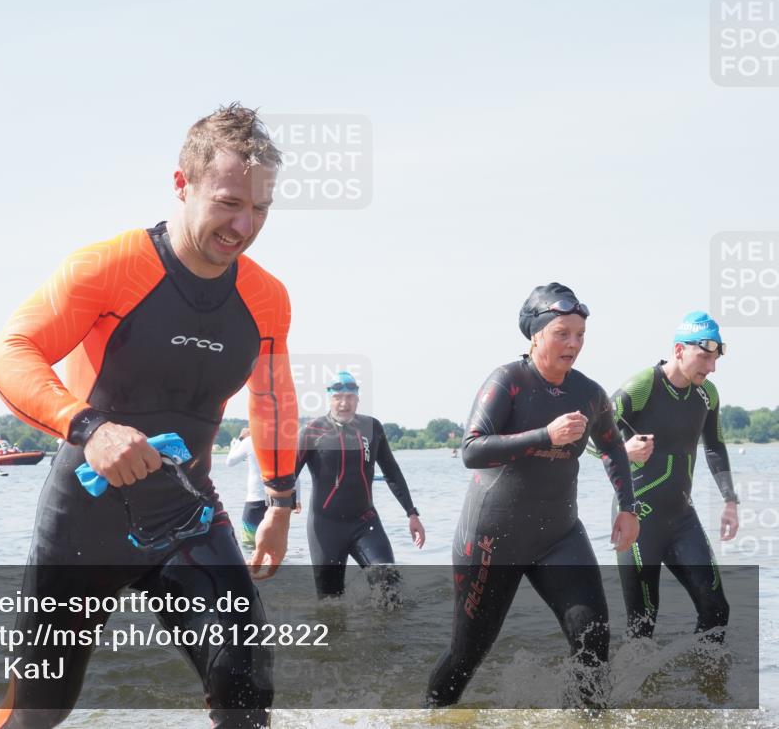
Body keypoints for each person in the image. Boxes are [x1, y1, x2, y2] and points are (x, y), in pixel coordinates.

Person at [0, 104, 298, 729]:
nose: (244, 225)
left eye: (260, 209)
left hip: (185, 513)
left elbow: (272, 400)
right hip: (84, 521)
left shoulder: (265, 297)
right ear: (182, 185)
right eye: (228, 202)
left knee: (246, 676)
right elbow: (9, 355)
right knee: (37, 712)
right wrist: (88, 426)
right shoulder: (110, 267)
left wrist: (282, 504)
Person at [426, 283, 640, 708]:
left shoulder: (589, 392)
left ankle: (581, 719)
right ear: (535, 334)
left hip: (559, 536)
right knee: (468, 654)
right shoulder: (508, 381)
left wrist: (629, 508)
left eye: (580, 335)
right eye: (563, 333)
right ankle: (431, 714)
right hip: (491, 540)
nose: (573, 344)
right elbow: (471, 449)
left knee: (593, 641)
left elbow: (613, 445)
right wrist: (546, 435)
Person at [611, 311, 736, 640]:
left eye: (715, 359)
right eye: (704, 357)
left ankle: (705, 686)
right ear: (680, 350)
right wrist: (622, 451)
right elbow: (590, 437)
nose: (711, 367)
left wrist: (730, 500)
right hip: (639, 518)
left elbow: (715, 449)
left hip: (682, 520)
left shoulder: (707, 394)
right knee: (642, 628)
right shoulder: (642, 386)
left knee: (717, 611)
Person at [295, 371, 425, 599]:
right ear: (329, 398)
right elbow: (288, 476)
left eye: (349, 397)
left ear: (358, 399)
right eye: (338, 397)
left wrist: (411, 513)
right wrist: (278, 513)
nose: (344, 403)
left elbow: (392, 471)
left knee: (390, 587)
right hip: (325, 528)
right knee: (330, 603)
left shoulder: (372, 428)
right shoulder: (311, 431)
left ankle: (388, 634)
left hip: (365, 523)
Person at [226, 427, 301, 546]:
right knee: (275, 547)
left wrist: (239, 440)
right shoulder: (284, 442)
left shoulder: (249, 441)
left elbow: (230, 461)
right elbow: (293, 473)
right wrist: (297, 499)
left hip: (255, 501)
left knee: (250, 545)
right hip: (279, 501)